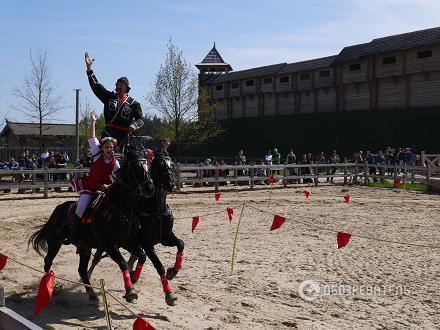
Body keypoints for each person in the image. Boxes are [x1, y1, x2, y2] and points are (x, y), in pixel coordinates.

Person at [67, 111, 120, 244]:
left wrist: (108, 186)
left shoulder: (116, 163)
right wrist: (93, 121)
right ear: (102, 147)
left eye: (111, 148)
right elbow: (91, 136)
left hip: (105, 190)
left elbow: (118, 180)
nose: (110, 149)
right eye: (107, 147)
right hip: (91, 186)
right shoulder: (96, 153)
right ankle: (74, 235)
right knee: (80, 209)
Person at [84, 52, 144, 149]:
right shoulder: (109, 97)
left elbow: (140, 120)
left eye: (121, 85)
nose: (118, 86)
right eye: (117, 84)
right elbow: (96, 85)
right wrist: (89, 68)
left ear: (126, 88)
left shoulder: (134, 104)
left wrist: (135, 125)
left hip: (123, 136)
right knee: (100, 155)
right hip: (108, 134)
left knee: (133, 156)